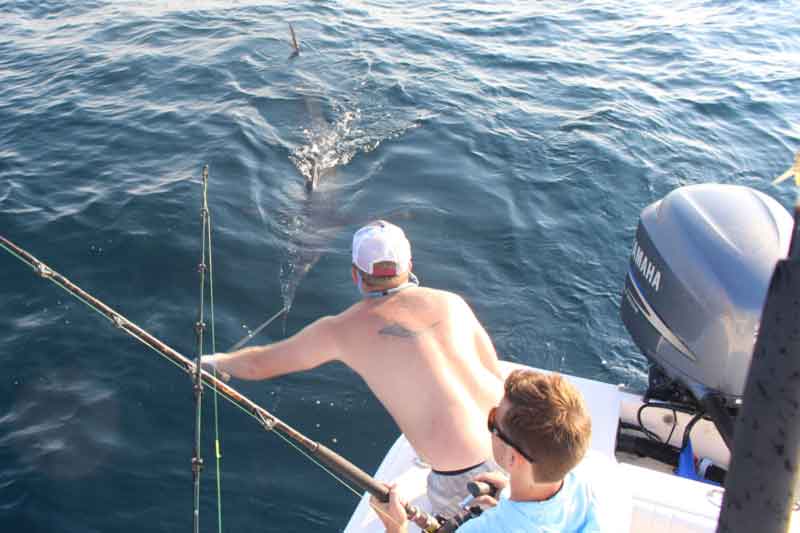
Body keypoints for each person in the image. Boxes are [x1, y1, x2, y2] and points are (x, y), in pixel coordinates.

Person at [202, 220, 504, 516]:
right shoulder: (453, 303)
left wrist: (215, 362)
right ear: (409, 264)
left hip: (466, 481)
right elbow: (494, 373)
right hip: (520, 445)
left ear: (355, 275)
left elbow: (259, 364)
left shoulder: (341, 330)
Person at [373, 369, 618, 532]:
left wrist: (395, 526)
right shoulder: (585, 486)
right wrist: (508, 493)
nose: (489, 426)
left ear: (513, 458)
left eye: (493, 421)